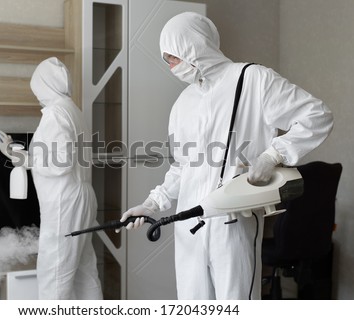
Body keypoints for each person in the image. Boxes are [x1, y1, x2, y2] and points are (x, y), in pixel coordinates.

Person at [119, 12, 333, 300]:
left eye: (172, 55)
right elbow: (183, 167)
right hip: (188, 229)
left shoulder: (253, 80)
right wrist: (151, 204)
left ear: (192, 46)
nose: (169, 64)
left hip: (233, 224)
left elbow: (317, 116)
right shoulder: (183, 103)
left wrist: (273, 155)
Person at [0, 57, 102, 299]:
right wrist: (16, 154)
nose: (36, 94)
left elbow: (59, 162)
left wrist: (24, 160)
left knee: (54, 275)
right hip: (82, 196)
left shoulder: (55, 113)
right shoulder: (73, 110)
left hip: (65, 202)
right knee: (85, 272)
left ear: (43, 85)